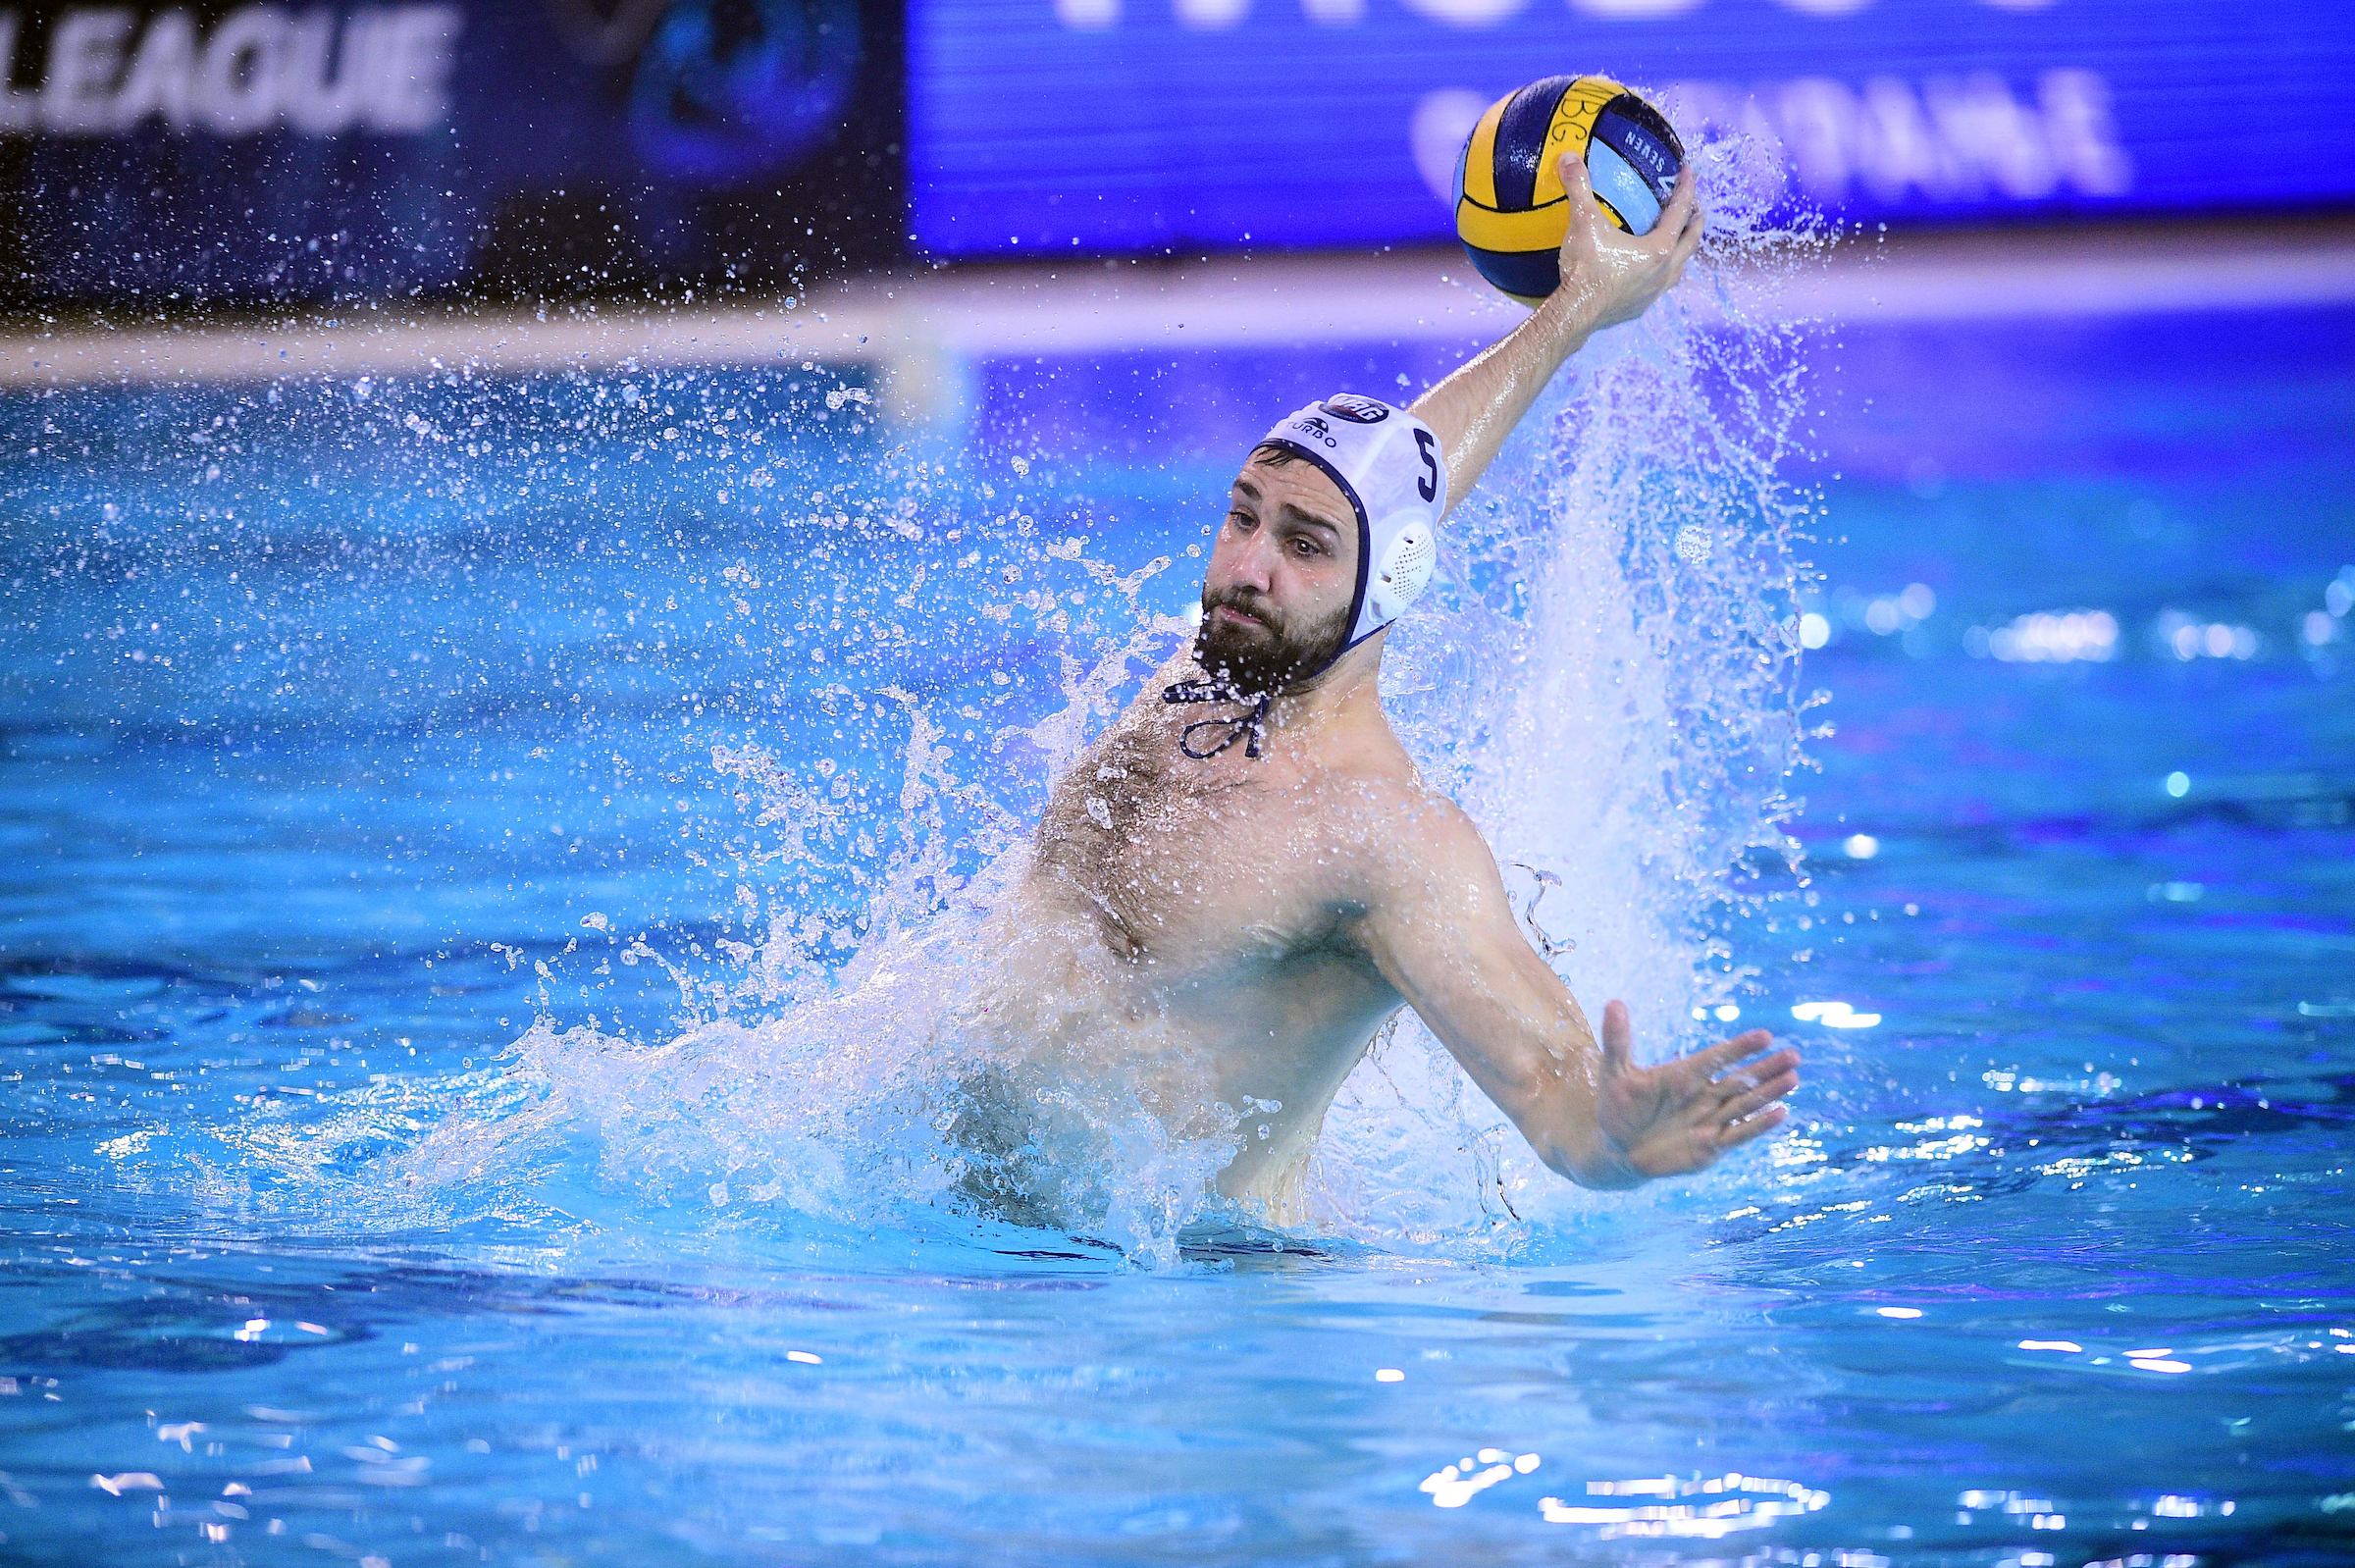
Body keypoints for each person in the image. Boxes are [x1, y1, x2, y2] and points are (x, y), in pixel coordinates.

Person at [955, 155, 1799, 1226]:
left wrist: (1611, 1134)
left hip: (1186, 1307)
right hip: (969, 1240)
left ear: (1385, 583)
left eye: (1302, 543)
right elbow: (1415, 466)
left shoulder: (1383, 840)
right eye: (1242, 512)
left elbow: (1552, 1086)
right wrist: (1576, 310)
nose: (1246, 567)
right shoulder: (1210, 676)